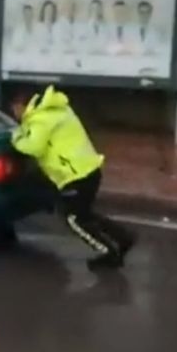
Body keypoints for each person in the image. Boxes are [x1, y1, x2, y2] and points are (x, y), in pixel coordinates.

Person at [10, 86, 136, 270]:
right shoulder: (58, 109)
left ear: (21, 105)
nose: (14, 113)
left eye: (14, 109)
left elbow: (33, 147)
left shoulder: (41, 119)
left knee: (73, 218)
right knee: (84, 214)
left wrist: (15, 137)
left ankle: (109, 252)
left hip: (75, 176)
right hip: (89, 170)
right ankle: (123, 237)